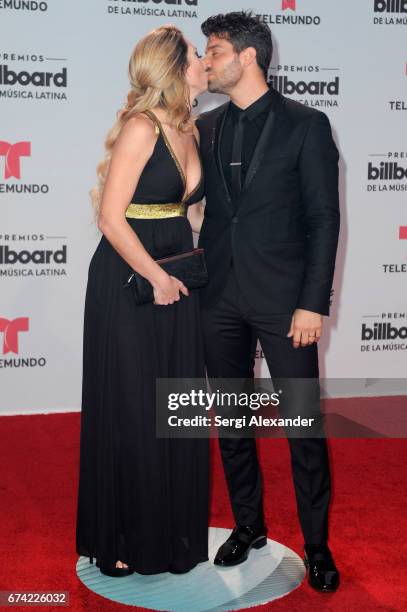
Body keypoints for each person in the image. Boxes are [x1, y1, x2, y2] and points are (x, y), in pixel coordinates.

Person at [194, 11, 341, 592]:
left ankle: (317, 545)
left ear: (247, 56)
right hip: (218, 297)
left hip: (286, 304)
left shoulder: (307, 124)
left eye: (214, 51)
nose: (206, 61)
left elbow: (323, 220)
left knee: (303, 427)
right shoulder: (204, 127)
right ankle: (248, 524)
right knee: (230, 421)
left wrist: (313, 303)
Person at [75, 25, 209, 577]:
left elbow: (190, 211)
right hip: (131, 279)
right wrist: (155, 277)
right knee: (133, 409)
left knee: (174, 410)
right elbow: (111, 218)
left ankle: (172, 534)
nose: (206, 62)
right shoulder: (141, 126)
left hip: (175, 276)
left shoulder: (191, 128)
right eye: (198, 55)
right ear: (176, 68)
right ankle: (124, 535)